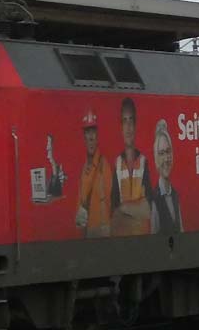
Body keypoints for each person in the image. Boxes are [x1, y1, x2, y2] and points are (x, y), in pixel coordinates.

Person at [111, 97, 153, 235]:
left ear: (135, 125)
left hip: (143, 239)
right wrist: (136, 207)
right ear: (121, 127)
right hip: (122, 240)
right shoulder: (117, 164)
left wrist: (123, 207)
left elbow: (147, 210)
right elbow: (114, 212)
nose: (128, 126)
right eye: (124, 121)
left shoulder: (143, 162)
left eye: (131, 120)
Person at [75, 109, 112, 238]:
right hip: (88, 234)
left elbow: (112, 203)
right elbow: (80, 204)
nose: (91, 137)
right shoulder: (84, 170)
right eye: (87, 132)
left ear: (97, 137)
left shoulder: (104, 166)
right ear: (84, 138)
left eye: (93, 132)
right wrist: (79, 218)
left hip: (102, 233)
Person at [150, 119, 183, 235]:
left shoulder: (175, 195)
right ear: (156, 158)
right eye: (161, 153)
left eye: (168, 152)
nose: (166, 159)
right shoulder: (154, 199)